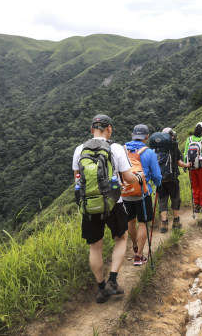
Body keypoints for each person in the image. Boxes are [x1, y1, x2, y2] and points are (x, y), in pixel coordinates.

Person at [71, 114, 139, 303]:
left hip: (89, 206)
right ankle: (112, 281)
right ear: (109, 129)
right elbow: (128, 177)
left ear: (91, 129)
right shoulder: (115, 148)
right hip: (113, 203)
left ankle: (100, 289)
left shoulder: (79, 149)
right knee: (121, 238)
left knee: (95, 247)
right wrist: (140, 177)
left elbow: (77, 180)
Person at [123, 124, 162, 266]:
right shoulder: (149, 152)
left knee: (130, 221)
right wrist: (158, 183)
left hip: (125, 192)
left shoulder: (122, 149)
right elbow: (157, 175)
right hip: (142, 193)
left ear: (132, 135)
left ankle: (134, 246)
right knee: (143, 222)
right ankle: (139, 256)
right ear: (146, 137)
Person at [157, 127, 188, 233]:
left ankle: (164, 225)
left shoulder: (156, 148)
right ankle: (176, 222)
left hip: (160, 180)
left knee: (162, 201)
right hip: (172, 179)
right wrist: (187, 165)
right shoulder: (174, 147)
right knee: (175, 199)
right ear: (171, 136)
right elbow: (179, 163)